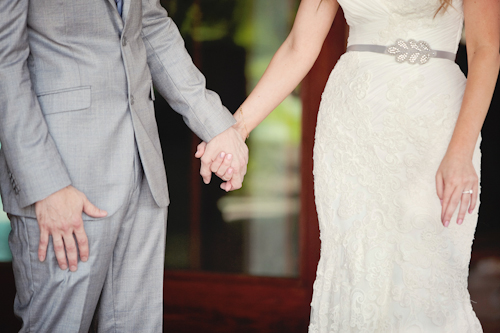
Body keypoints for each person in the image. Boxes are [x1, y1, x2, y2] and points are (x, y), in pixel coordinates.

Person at [198, 0, 500, 331]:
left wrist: (460, 151)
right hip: (353, 126)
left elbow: (486, 49)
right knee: (357, 270)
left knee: (427, 270)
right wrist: (236, 130)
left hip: (436, 127)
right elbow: (299, 45)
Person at [0, 0, 247, 332]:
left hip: (142, 169)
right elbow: (3, 60)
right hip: (63, 179)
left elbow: (150, 25)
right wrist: (46, 184)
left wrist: (218, 127)